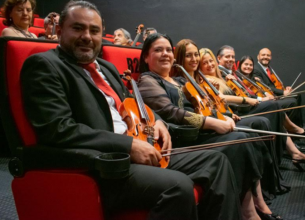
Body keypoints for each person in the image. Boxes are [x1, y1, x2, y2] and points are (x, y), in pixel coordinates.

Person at [20, 1, 242, 220]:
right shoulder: (44, 65)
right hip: (105, 162)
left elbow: (132, 103)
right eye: (78, 28)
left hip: (137, 146)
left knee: (217, 161)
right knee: (178, 186)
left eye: (94, 30)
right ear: (59, 30)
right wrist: (128, 145)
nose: (87, 36)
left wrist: (157, 122)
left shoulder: (106, 67)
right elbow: (58, 130)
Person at [138, 37, 283, 220]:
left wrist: (222, 115)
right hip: (184, 137)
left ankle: (251, 207)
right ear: (145, 57)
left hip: (200, 131)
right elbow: (169, 111)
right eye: (159, 50)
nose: (165, 54)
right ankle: (248, 211)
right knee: (239, 141)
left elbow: (203, 105)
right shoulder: (148, 80)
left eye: (168, 49)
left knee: (245, 137)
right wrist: (212, 123)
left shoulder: (179, 81)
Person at [200, 47, 305, 170]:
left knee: (274, 108)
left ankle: (294, 150)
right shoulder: (217, 76)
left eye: (232, 56)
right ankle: (293, 136)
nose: (231, 59)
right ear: (219, 58)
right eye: (227, 56)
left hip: (241, 107)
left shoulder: (226, 74)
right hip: (237, 110)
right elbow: (223, 98)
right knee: (273, 106)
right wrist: (253, 99)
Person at [238, 55, 305, 132]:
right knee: (289, 103)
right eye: (246, 64)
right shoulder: (238, 79)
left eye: (251, 65)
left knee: (292, 100)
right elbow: (248, 95)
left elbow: (261, 89)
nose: (248, 67)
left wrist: (266, 93)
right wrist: (263, 98)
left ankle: (288, 128)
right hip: (255, 104)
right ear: (240, 65)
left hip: (264, 101)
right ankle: (287, 128)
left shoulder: (253, 78)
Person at [252, 48, 304, 127]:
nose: (265, 57)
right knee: (292, 102)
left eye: (268, 55)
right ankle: (288, 127)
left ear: (271, 57)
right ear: (258, 57)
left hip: (275, 94)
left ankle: (298, 125)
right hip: (270, 97)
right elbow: (265, 87)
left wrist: (285, 89)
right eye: (263, 55)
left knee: (297, 95)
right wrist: (283, 93)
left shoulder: (268, 68)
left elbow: (275, 84)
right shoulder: (256, 69)